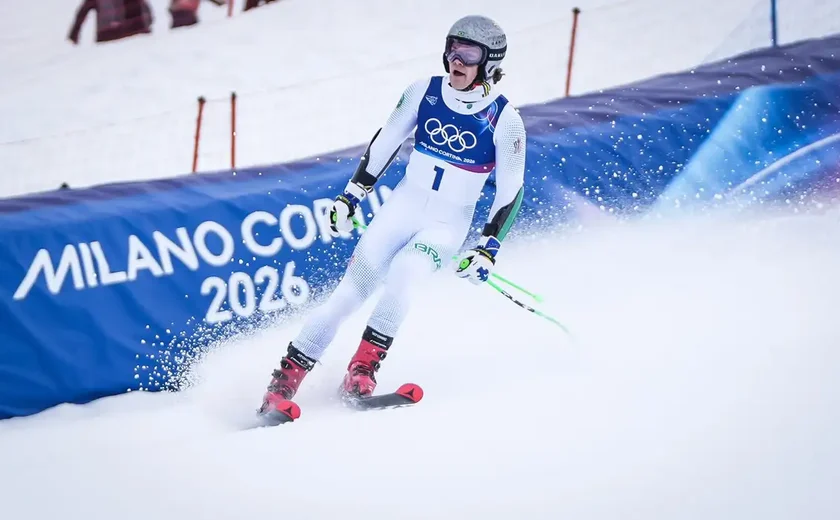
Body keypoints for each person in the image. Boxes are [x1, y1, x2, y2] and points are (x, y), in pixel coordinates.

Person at [258, 14, 527, 420]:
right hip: (401, 210)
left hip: (445, 227)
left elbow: (511, 191)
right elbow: (385, 141)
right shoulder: (423, 91)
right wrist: (351, 196)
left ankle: (361, 371)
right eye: (452, 48)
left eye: (468, 53)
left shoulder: (505, 120)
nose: (456, 59)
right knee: (348, 295)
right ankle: (281, 385)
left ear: (489, 63)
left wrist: (488, 248)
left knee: (404, 274)